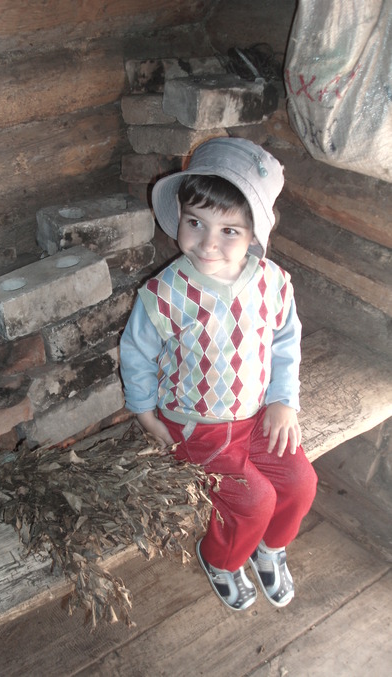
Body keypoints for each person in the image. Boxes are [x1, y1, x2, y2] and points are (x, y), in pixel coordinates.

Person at [119, 137, 318, 611]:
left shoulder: (272, 282)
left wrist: (283, 400)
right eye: (195, 223)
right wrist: (145, 415)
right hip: (197, 424)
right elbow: (136, 354)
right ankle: (222, 559)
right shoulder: (165, 294)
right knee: (253, 500)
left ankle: (270, 546)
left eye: (229, 230)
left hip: (258, 414)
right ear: (180, 217)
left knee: (300, 483)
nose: (208, 242)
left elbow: (285, 342)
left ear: (254, 233)